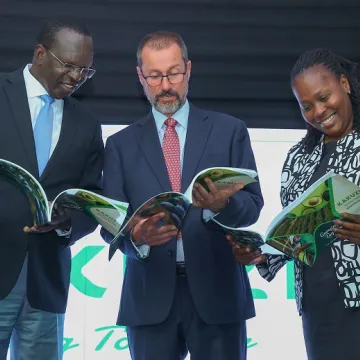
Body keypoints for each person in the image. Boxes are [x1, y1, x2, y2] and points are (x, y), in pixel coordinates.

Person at [101, 31, 264, 360]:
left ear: (188, 70)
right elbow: (109, 225)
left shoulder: (229, 131)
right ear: (140, 77)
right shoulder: (119, 145)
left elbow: (252, 206)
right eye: (154, 76)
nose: (165, 86)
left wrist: (223, 205)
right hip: (149, 298)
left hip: (219, 295)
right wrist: (136, 235)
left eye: (173, 73)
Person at [228, 48, 360, 360]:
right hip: (318, 308)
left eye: (324, 96)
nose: (319, 111)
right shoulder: (297, 158)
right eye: (307, 106)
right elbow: (297, 234)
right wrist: (260, 255)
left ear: (345, 84)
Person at [0, 19, 103, 360]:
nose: (76, 78)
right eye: (70, 66)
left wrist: (68, 221)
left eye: (85, 71)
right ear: (41, 53)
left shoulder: (87, 125)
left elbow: (92, 198)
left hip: (46, 281)